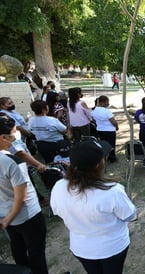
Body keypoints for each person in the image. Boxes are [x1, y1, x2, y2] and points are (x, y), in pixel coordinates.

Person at [51, 140, 136, 274]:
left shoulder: (59, 187)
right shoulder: (112, 191)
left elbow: (58, 212)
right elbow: (130, 215)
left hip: (81, 249)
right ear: (98, 165)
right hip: (112, 248)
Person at [0, 113, 49, 274]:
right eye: (14, 132)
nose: (16, 135)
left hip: (6, 214)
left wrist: (6, 219)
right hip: (26, 215)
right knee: (36, 251)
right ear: (3, 138)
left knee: (18, 248)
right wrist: (8, 219)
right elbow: (21, 197)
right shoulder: (13, 162)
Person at [92, 95, 119, 163]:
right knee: (111, 144)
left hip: (100, 130)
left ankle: (105, 156)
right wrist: (116, 127)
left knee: (103, 144)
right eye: (106, 102)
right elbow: (113, 122)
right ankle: (112, 158)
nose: (108, 104)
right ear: (102, 103)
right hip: (110, 130)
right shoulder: (107, 111)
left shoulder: (94, 111)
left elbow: (93, 119)